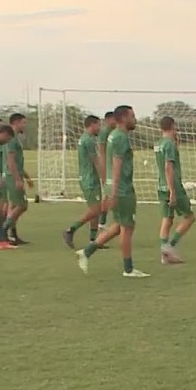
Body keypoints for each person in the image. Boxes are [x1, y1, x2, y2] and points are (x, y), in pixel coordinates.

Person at [76, 105, 150, 277]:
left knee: (117, 227)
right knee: (127, 227)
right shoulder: (120, 138)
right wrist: (114, 192)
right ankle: (128, 269)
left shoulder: (114, 136)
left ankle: (86, 252)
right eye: (132, 115)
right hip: (122, 189)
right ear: (124, 118)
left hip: (115, 186)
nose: (135, 118)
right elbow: (116, 165)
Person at [154, 116, 196, 264]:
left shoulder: (158, 144)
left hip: (160, 186)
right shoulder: (169, 144)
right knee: (189, 217)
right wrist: (173, 191)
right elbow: (168, 167)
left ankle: (165, 254)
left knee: (167, 218)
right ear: (173, 126)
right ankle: (170, 247)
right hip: (174, 186)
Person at [63, 115, 103, 248]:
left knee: (96, 210)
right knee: (96, 209)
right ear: (91, 125)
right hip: (90, 179)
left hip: (88, 178)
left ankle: (93, 241)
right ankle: (71, 229)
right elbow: (95, 161)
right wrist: (105, 179)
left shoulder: (86, 138)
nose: (100, 128)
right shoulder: (89, 140)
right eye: (98, 125)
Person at [1, 113, 33, 245]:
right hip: (12, 176)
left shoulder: (14, 138)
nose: (24, 125)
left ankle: (13, 235)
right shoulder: (11, 140)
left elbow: (18, 162)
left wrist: (27, 177)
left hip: (13, 175)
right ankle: (2, 230)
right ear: (16, 123)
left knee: (13, 205)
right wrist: (17, 179)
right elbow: (11, 161)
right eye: (23, 122)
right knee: (22, 205)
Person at [96, 111, 115, 230]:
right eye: (113, 119)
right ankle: (102, 223)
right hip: (107, 169)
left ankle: (102, 222)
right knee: (108, 196)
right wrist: (103, 174)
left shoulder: (113, 132)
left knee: (109, 196)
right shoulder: (104, 133)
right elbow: (101, 154)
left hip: (112, 167)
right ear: (108, 120)